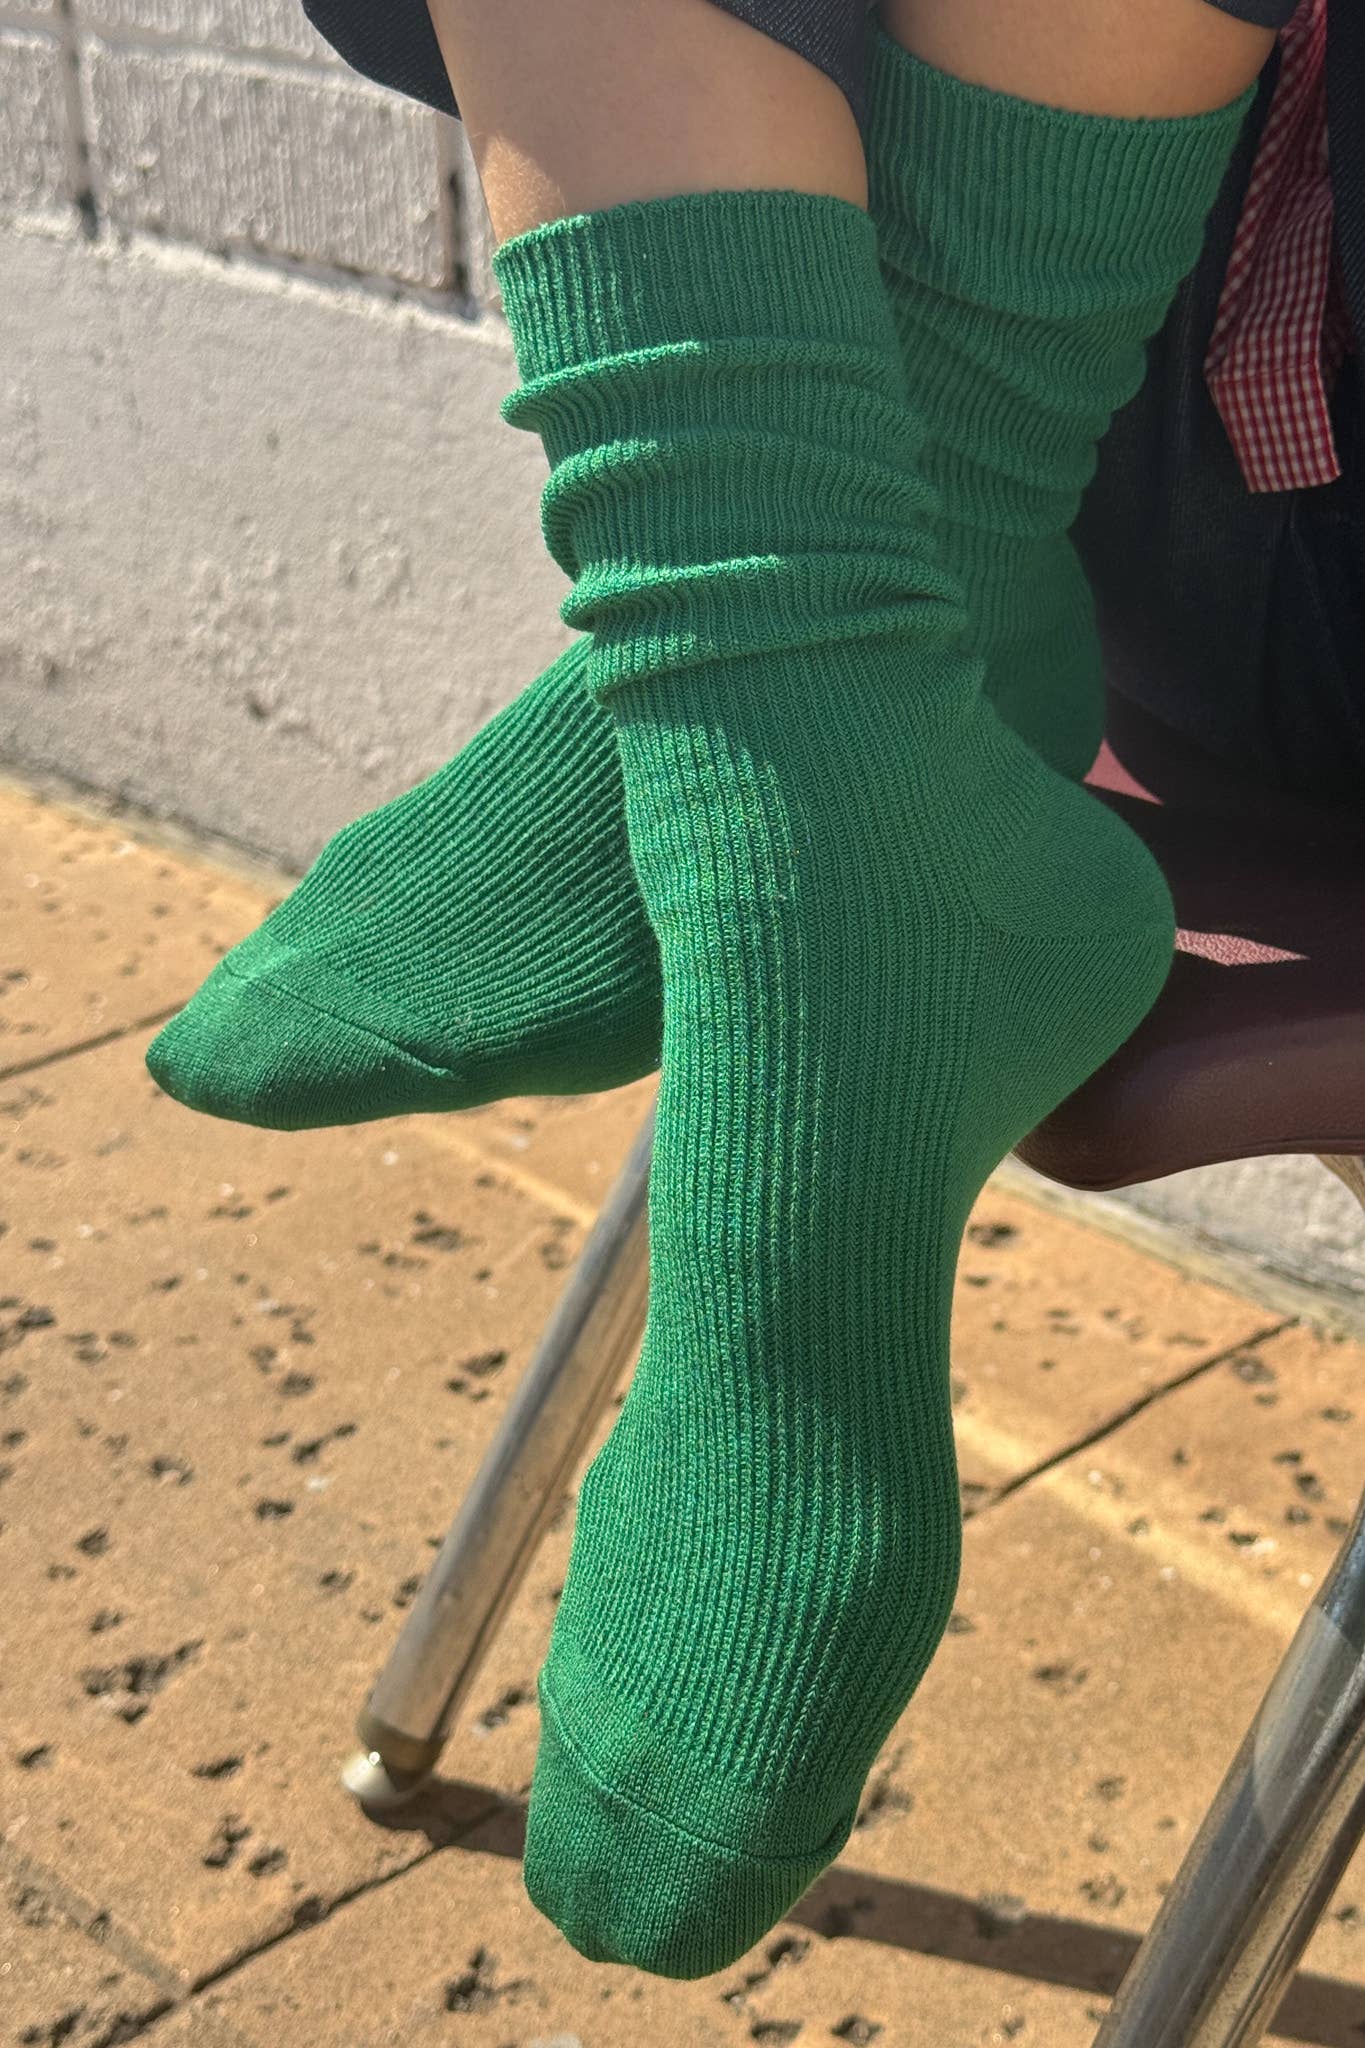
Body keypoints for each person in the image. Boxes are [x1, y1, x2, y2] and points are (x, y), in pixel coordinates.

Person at [146, 0, 1325, 1983]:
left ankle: (789, 749)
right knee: (882, 484)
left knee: (848, 547)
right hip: (1156, 402)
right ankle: (827, 665)